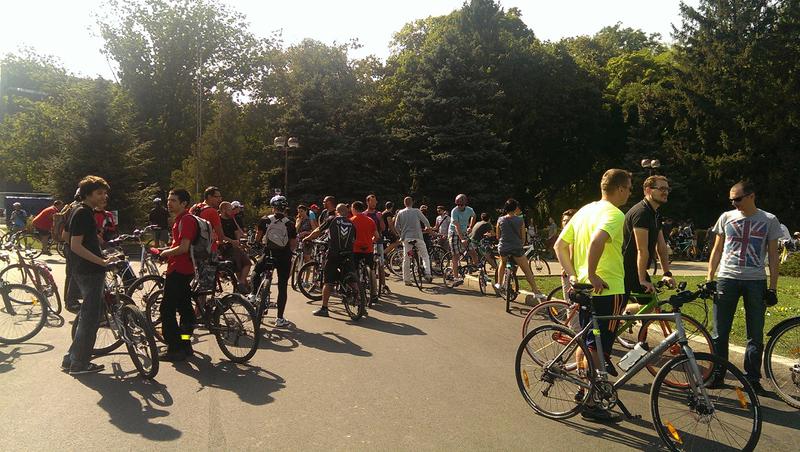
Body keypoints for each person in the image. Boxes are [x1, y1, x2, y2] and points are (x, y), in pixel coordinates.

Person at [553, 168, 632, 423]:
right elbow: (598, 241)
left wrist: (574, 274)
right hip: (608, 288)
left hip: (585, 288)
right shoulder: (615, 214)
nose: (630, 193)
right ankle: (592, 402)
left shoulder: (585, 210)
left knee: (588, 342)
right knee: (601, 347)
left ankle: (583, 391)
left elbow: (559, 246)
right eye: (629, 188)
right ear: (620, 189)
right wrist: (594, 272)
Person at [706, 181, 781, 394]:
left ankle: (752, 379)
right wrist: (710, 276)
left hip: (756, 281)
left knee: (755, 332)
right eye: (731, 199)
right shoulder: (726, 217)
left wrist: (773, 287)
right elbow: (717, 249)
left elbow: (774, 256)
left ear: (751, 196)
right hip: (727, 278)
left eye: (737, 199)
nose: (734, 203)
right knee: (720, 331)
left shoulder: (769, 220)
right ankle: (718, 373)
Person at [61, 176, 116, 375]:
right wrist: (100, 261)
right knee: (90, 319)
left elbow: (65, 238)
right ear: (88, 194)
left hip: (80, 270)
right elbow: (75, 245)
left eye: (105, 192)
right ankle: (79, 364)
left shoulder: (76, 210)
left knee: (86, 316)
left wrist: (95, 240)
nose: (104, 196)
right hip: (91, 272)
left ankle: (71, 358)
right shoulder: (84, 213)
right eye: (99, 193)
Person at [157, 188, 198, 362]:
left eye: (173, 200)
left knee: (166, 309)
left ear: (184, 203)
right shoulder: (180, 219)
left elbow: (183, 248)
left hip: (179, 270)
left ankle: (174, 348)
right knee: (185, 309)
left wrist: (164, 253)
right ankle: (186, 344)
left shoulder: (186, 220)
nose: (169, 202)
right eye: (168, 199)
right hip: (185, 269)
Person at [622, 175, 676, 300]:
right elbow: (642, 249)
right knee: (617, 313)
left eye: (667, 189)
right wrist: (642, 280)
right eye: (661, 189)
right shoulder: (641, 213)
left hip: (635, 269)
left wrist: (667, 273)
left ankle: (627, 315)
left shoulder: (655, 213)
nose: (665, 192)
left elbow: (661, 246)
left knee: (649, 303)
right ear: (648, 190)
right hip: (624, 270)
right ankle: (624, 315)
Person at [303, 203, 356, 317]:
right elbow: (353, 239)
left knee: (328, 281)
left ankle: (324, 308)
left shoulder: (332, 219)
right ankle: (359, 300)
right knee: (351, 278)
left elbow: (318, 230)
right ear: (346, 212)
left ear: (337, 211)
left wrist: (308, 238)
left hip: (334, 253)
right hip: (348, 253)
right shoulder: (351, 223)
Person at [252, 195, 297, 327]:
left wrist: (257, 244)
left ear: (273, 207)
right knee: (282, 287)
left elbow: (258, 238)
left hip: (268, 254)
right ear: (285, 208)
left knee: (256, 271)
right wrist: (291, 252)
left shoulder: (265, 220)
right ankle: (280, 318)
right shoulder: (290, 223)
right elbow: (293, 243)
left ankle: (253, 294)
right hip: (284, 257)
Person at [494, 199, 545, 297]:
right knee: (527, 270)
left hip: (503, 247)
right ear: (515, 208)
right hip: (516, 248)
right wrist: (519, 244)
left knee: (502, 263)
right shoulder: (520, 220)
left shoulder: (500, 220)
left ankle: (499, 283)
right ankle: (536, 291)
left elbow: (498, 236)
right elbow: (523, 237)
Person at [394, 197, 432, 286]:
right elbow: (426, 221)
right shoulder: (417, 211)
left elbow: (396, 226)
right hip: (417, 237)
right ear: (412, 203)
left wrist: (401, 235)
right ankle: (428, 273)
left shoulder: (400, 212)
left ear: (404, 203)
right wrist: (428, 227)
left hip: (406, 239)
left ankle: (407, 279)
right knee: (425, 255)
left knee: (406, 258)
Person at [351, 200, 381, 304]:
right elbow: (377, 236)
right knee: (371, 270)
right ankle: (374, 294)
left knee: (353, 271)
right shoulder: (370, 220)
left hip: (355, 250)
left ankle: (356, 293)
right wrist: (371, 240)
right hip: (368, 249)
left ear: (354, 209)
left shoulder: (352, 220)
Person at [219, 201, 251, 290]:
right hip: (225, 248)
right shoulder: (218, 220)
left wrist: (239, 241)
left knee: (245, 263)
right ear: (223, 210)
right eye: (229, 209)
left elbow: (236, 232)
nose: (231, 211)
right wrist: (232, 241)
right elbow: (220, 236)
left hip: (234, 247)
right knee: (242, 264)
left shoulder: (231, 219)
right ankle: (241, 284)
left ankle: (241, 283)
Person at [61, 190, 84, 313]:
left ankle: (69, 300)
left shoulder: (71, 206)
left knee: (70, 274)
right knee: (74, 274)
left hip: (68, 245)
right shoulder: (78, 209)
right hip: (72, 246)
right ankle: (71, 301)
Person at [448, 194, 477, 286]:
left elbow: (474, 216)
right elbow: (456, 227)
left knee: (473, 252)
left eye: (461, 205)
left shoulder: (469, 210)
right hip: (454, 233)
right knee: (456, 256)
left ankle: (477, 270)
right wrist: (462, 239)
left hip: (464, 232)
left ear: (465, 204)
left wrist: (470, 226)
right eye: (458, 204)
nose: (459, 206)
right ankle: (456, 278)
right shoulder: (454, 211)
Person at [365, 194, 388, 294]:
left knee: (381, 264)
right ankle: (367, 282)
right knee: (367, 264)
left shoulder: (378, 214)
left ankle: (383, 285)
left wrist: (380, 218)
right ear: (367, 202)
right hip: (368, 242)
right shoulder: (364, 214)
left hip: (378, 242)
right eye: (372, 202)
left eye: (375, 202)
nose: (374, 204)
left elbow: (383, 228)